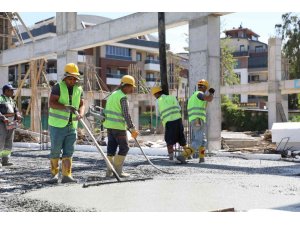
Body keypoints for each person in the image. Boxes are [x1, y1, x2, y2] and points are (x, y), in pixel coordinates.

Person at [48, 63, 85, 183]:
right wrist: (65, 107)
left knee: (69, 151)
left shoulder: (79, 89)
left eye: (75, 78)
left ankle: (66, 175)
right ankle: (54, 175)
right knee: (55, 150)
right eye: (71, 78)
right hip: (57, 125)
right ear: (65, 77)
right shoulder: (58, 87)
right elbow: (52, 103)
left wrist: (81, 113)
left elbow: (82, 104)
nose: (73, 80)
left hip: (72, 125)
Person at [103, 75, 139, 178]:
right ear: (126, 86)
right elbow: (126, 114)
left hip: (109, 127)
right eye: (131, 87)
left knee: (111, 149)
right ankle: (117, 171)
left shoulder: (113, 94)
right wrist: (132, 129)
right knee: (124, 148)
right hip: (118, 127)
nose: (132, 89)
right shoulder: (122, 97)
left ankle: (109, 171)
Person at [151, 86, 194, 161]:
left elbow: (157, 114)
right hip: (178, 120)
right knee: (181, 138)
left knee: (169, 140)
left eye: (154, 95)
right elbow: (179, 108)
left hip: (169, 122)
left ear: (157, 94)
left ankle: (171, 157)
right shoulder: (172, 97)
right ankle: (188, 155)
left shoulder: (158, 101)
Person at [177, 79, 214, 163]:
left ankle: (201, 158)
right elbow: (209, 99)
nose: (206, 90)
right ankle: (183, 155)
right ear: (204, 87)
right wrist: (211, 93)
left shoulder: (192, 97)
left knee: (203, 140)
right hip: (198, 120)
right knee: (198, 141)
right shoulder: (199, 94)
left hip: (196, 120)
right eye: (206, 88)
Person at [0, 84, 22, 166]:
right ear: (6, 91)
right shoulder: (0, 99)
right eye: (11, 90)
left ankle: (5, 160)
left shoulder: (11, 100)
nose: (13, 92)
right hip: (2, 123)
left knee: (9, 141)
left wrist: (18, 115)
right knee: (1, 141)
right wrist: (2, 117)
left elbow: (16, 110)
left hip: (11, 123)